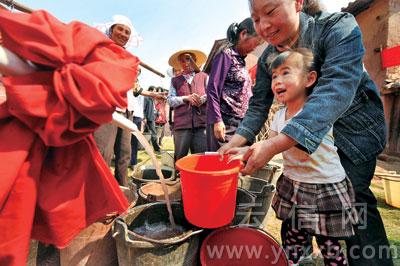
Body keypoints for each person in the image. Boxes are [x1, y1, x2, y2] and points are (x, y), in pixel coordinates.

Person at [221, 0, 392, 265]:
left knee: (352, 208)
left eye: (270, 11)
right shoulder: (269, 57)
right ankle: (304, 255)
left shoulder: (337, 27)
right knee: (301, 210)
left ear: (298, 3)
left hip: (352, 137)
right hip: (304, 151)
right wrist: (234, 142)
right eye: (255, 19)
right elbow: (258, 105)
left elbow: (336, 90)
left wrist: (273, 145)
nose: (263, 25)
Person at [93, 15, 137, 187]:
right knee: (103, 152)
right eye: (120, 29)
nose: (123, 34)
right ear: (110, 30)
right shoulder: (101, 50)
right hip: (107, 108)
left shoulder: (128, 57)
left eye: (127, 32)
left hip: (126, 110)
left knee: (124, 154)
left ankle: (122, 190)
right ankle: (97, 193)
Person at [206, 17, 262, 151]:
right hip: (226, 122)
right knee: (222, 164)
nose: (255, 48)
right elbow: (212, 89)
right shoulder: (226, 55)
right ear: (243, 34)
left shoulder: (241, 62)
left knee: (238, 165)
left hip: (241, 123)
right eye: (257, 42)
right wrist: (217, 120)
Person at [167, 49, 208, 161]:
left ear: (195, 61)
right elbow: (170, 100)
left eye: (189, 59)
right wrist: (186, 98)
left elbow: (211, 94)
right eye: (183, 60)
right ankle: (179, 178)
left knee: (201, 159)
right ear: (180, 63)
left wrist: (202, 99)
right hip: (182, 125)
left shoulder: (204, 76)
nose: (186, 63)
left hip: (201, 124)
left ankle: (199, 179)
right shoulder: (174, 80)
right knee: (180, 158)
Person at [143, 86, 161, 152]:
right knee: (153, 133)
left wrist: (157, 114)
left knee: (152, 133)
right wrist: (144, 117)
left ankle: (155, 147)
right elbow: (144, 108)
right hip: (148, 118)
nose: (155, 92)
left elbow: (153, 109)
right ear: (150, 90)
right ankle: (157, 148)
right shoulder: (146, 98)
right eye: (154, 90)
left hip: (152, 118)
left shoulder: (152, 99)